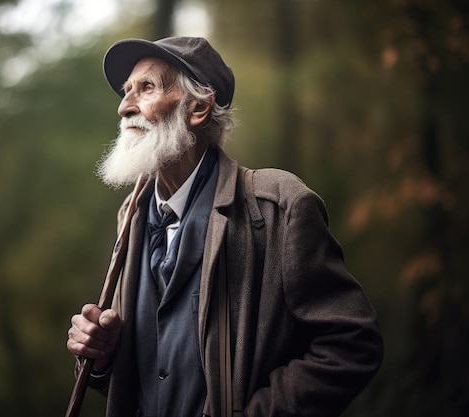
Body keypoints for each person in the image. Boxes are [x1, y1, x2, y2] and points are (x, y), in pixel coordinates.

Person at [66, 36, 383, 417]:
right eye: (125, 92)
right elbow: (138, 377)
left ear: (198, 108)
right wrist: (101, 359)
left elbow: (351, 344)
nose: (123, 107)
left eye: (146, 88)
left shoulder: (277, 206)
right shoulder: (130, 216)